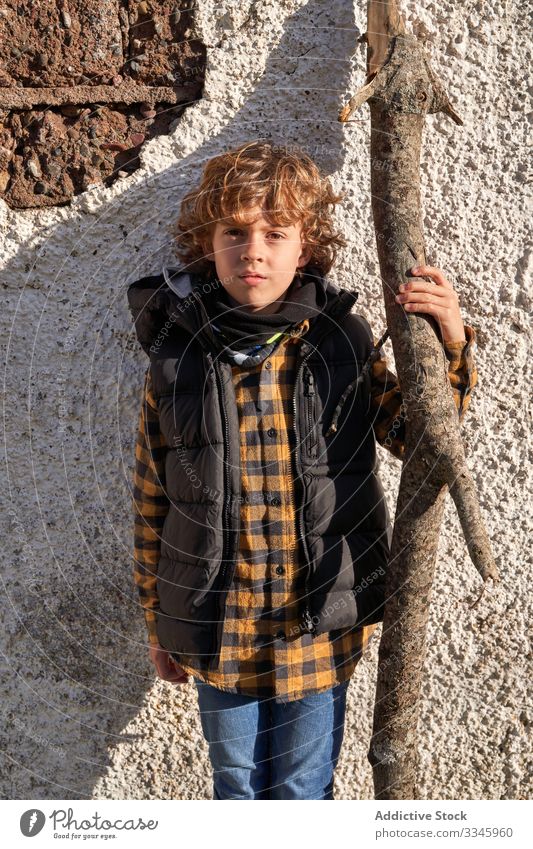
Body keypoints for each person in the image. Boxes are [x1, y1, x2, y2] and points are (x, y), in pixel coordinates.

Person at [126, 140, 477, 800]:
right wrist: (157, 619)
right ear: (208, 243)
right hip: (214, 625)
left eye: (274, 233)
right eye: (234, 232)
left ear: (304, 248)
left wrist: (451, 345)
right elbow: (151, 500)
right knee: (235, 783)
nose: (252, 250)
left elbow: (416, 437)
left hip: (315, 630)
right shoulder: (177, 361)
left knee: (301, 785)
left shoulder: (337, 342)